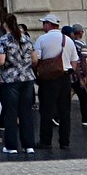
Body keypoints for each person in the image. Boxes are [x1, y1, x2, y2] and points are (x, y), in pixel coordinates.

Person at [0, 16, 37, 155]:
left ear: (4, 24)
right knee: (26, 112)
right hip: (27, 78)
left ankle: (11, 146)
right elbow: (35, 59)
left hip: (10, 79)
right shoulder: (27, 38)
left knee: (11, 113)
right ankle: (29, 145)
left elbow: (1, 61)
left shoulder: (4, 40)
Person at [33, 14, 74, 152]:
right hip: (65, 77)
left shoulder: (42, 39)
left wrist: (36, 72)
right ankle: (65, 141)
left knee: (46, 111)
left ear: (49, 24)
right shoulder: (68, 40)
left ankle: (45, 141)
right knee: (65, 111)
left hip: (48, 80)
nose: (43, 25)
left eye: (44, 23)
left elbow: (35, 59)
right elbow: (74, 61)